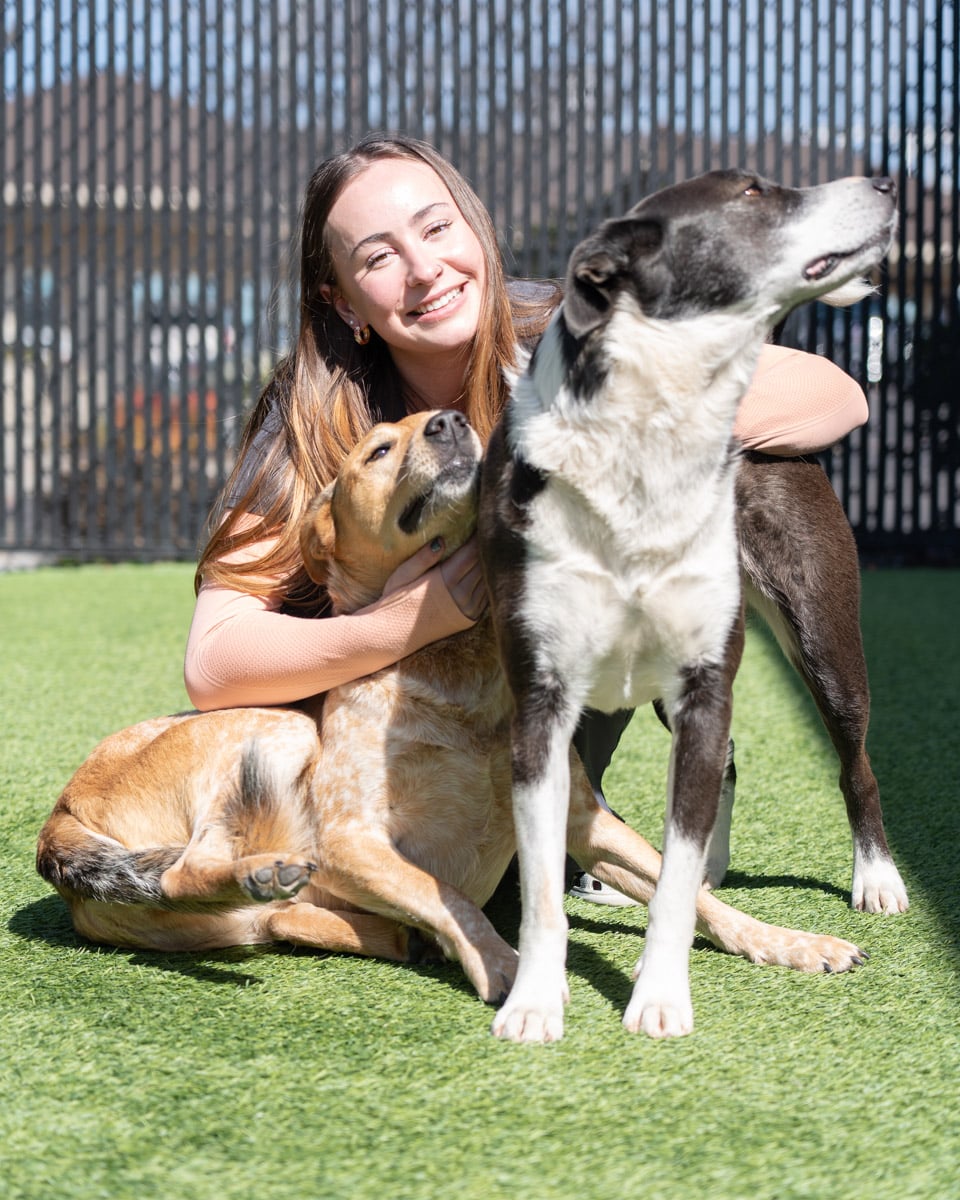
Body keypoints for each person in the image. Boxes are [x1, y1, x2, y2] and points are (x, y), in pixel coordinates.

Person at [184, 133, 869, 902]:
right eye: (378, 257)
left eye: (438, 227)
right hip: (386, 735)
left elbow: (833, 398)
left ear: (477, 230)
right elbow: (214, 663)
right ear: (344, 301)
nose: (424, 268)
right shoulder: (312, 412)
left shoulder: (566, 330)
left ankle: (689, 735)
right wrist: (420, 616)